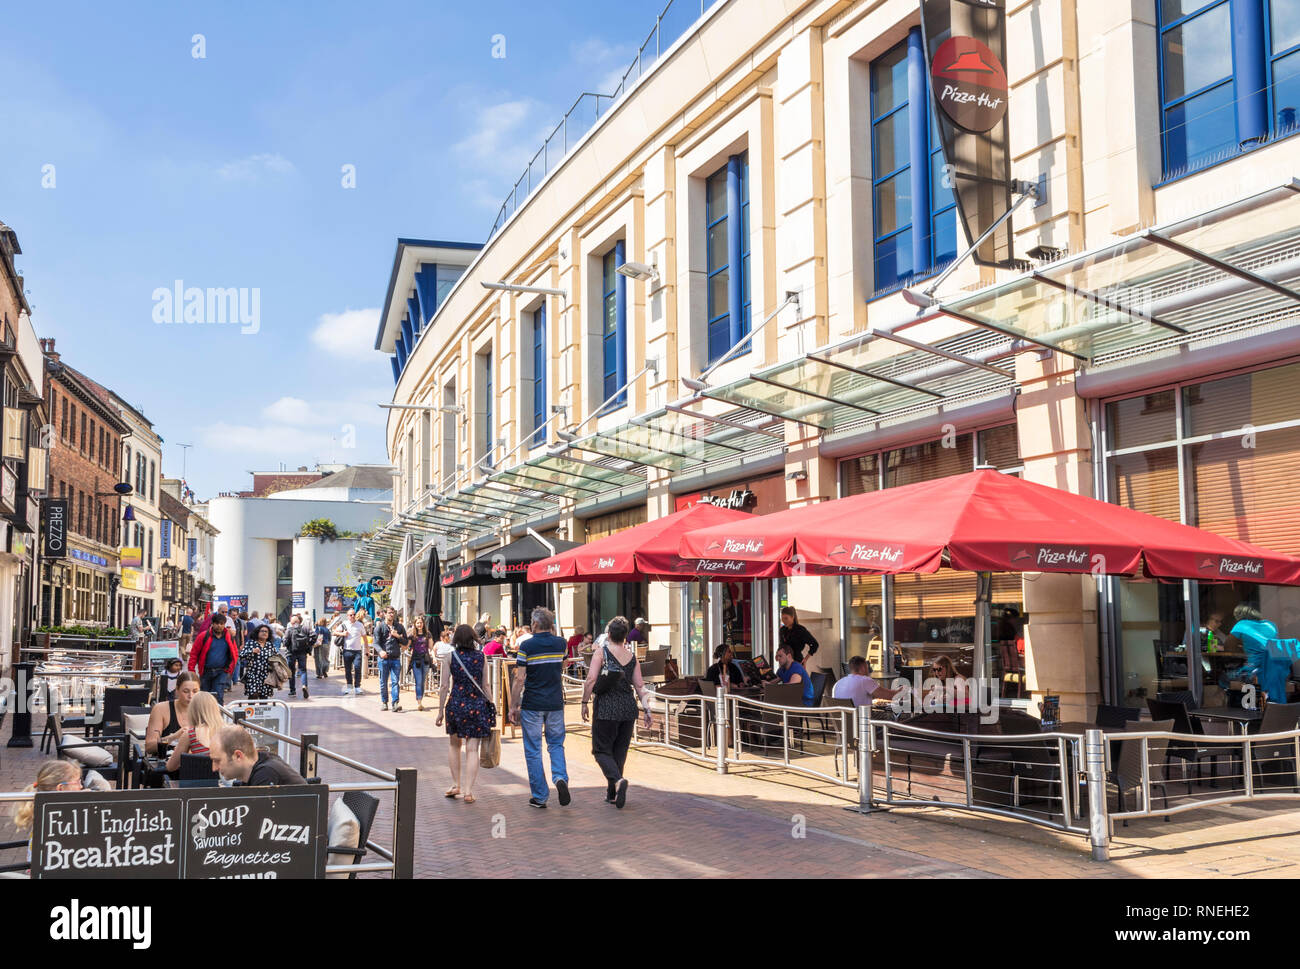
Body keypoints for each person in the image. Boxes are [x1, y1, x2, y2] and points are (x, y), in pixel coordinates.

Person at [581, 617, 654, 808]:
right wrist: (647, 709)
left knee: (600, 750)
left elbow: (590, 679)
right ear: (625, 636)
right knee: (619, 752)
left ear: (609, 635)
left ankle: (618, 781)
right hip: (628, 709)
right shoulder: (632, 657)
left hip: (606, 707)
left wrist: (584, 702)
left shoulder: (601, 653)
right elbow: (639, 685)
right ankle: (612, 793)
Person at [509, 606, 570, 809]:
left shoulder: (527, 646)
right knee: (556, 744)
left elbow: (519, 679)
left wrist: (512, 704)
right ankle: (560, 777)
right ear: (551, 624)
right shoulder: (561, 643)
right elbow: (562, 665)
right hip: (555, 703)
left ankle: (540, 796)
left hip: (533, 703)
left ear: (534, 624)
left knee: (533, 749)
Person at [437, 623, 493, 803]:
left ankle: (455, 784)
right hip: (477, 705)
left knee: (454, 745)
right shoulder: (481, 657)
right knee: (472, 749)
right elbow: (486, 685)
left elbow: (444, 686)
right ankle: (469, 791)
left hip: (456, 705)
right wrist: (491, 705)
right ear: (472, 638)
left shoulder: (450, 657)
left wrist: (440, 711)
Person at [210, 725, 307, 786]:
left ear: (238, 756)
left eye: (218, 761)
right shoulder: (260, 765)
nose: (214, 768)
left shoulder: (266, 774)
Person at [1230, 603, 1289, 701]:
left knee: (1223, 678)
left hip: (1254, 670)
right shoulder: (1270, 625)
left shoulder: (1241, 625)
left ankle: (1232, 707)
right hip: (1276, 669)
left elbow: (1229, 646)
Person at [164, 691, 224, 773]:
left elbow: (171, 767)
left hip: (199, 783)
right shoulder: (230, 731)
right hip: (227, 782)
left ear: (192, 711)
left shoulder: (191, 733)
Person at [144, 670, 201, 756]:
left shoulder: (204, 711)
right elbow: (149, 747)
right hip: (165, 763)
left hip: (195, 763)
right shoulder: (161, 709)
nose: (191, 696)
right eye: (186, 691)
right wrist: (173, 737)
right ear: (177, 690)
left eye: (195, 691)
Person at [187, 613, 239, 705]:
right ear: (212, 624)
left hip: (222, 671)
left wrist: (230, 669)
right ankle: (204, 717)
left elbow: (234, 653)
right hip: (206, 671)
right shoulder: (203, 636)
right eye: (217, 623)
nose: (219, 626)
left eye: (222, 623)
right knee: (204, 697)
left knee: (218, 696)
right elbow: (194, 654)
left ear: (224, 624)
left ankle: (217, 718)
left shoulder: (229, 637)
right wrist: (191, 671)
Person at [831, 656, 900, 706]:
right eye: (867, 667)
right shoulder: (865, 680)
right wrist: (903, 690)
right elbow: (891, 696)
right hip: (861, 721)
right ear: (863, 668)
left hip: (842, 722)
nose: (868, 671)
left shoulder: (838, 683)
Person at [376, 607, 406, 712]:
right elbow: (375, 643)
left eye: (393, 613)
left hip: (395, 658)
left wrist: (397, 635)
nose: (391, 615)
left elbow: (405, 642)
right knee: (383, 682)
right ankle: (384, 702)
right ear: (385, 614)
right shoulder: (380, 627)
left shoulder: (399, 627)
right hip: (383, 659)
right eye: (389, 613)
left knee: (395, 681)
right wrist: (380, 651)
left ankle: (395, 703)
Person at [242, 623, 276, 700]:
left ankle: (263, 712)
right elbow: (241, 655)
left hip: (266, 676)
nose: (264, 633)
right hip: (253, 674)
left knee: (264, 697)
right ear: (257, 632)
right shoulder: (251, 643)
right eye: (262, 631)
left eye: (266, 631)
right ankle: (251, 711)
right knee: (253, 694)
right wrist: (251, 651)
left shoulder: (270, 645)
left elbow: (276, 657)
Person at [282, 614, 312, 699]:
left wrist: (285, 642)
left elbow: (286, 642)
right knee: (303, 670)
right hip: (302, 653)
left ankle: (292, 691)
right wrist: (308, 644)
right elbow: (314, 636)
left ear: (291, 622)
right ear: (299, 621)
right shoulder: (305, 629)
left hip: (291, 653)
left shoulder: (289, 630)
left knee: (291, 672)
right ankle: (304, 685)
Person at [408, 615, 434, 711]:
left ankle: (420, 699)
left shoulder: (428, 634)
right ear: (415, 624)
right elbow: (407, 645)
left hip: (426, 660)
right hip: (416, 660)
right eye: (418, 623)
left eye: (421, 623)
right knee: (418, 681)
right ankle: (419, 701)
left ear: (423, 624)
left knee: (422, 681)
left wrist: (433, 654)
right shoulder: (412, 634)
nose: (419, 624)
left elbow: (431, 646)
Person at [340, 609, 366, 696]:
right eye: (350, 615)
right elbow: (334, 632)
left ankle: (357, 687)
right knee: (348, 670)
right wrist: (343, 634)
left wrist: (366, 649)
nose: (352, 616)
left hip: (357, 651)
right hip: (347, 650)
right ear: (347, 616)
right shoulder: (344, 624)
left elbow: (365, 637)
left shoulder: (360, 625)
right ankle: (349, 687)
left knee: (358, 668)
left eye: (354, 614)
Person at [312, 614, 332, 679]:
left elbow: (315, 636)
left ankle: (319, 673)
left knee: (318, 659)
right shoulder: (327, 629)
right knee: (325, 658)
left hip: (319, 644)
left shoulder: (319, 628)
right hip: (326, 644)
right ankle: (325, 671)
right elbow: (329, 638)